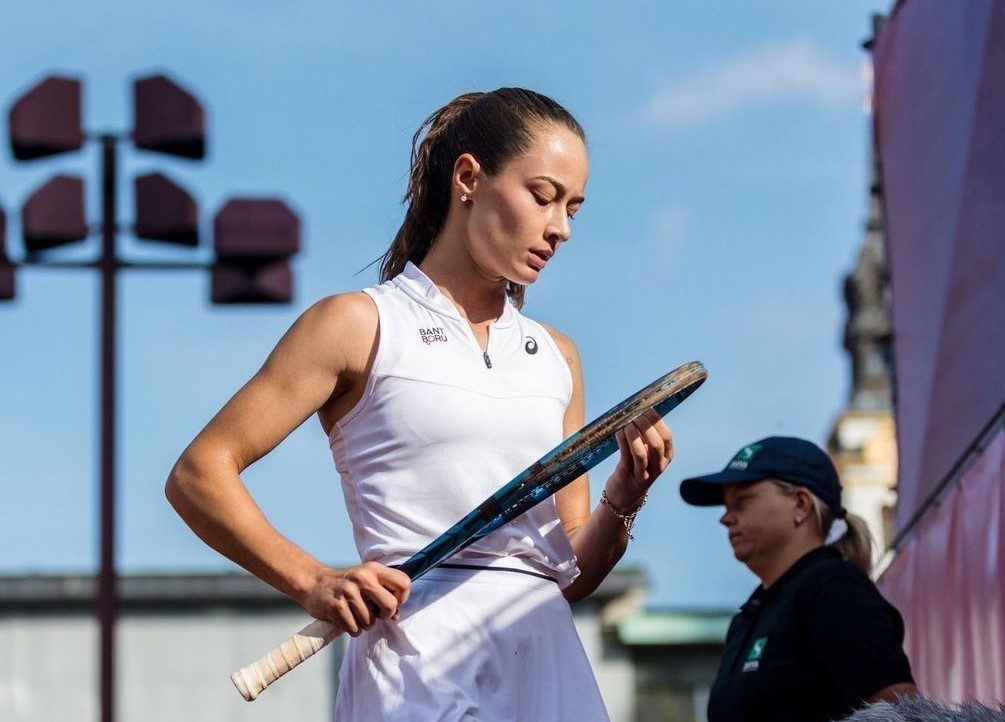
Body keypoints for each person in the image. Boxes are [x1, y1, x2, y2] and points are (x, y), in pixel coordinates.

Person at [165, 88, 674, 721]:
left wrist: (626, 494)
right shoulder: (357, 324)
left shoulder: (557, 355)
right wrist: (313, 580)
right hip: (417, 667)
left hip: (545, 663)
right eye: (542, 196)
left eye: (573, 208)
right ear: (468, 178)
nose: (560, 228)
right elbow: (198, 473)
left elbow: (570, 573)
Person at [679, 436, 917, 722]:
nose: (726, 518)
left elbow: (898, 711)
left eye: (742, 502)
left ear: (801, 505)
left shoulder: (833, 589)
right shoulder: (748, 619)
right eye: (726, 506)